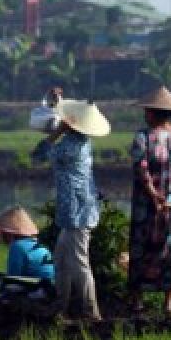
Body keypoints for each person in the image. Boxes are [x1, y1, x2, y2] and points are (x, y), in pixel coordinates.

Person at [33, 98, 110, 321]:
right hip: (75, 212)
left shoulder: (70, 146)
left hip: (77, 213)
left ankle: (91, 312)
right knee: (61, 259)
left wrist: (58, 130)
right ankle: (61, 306)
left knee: (79, 262)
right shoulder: (83, 142)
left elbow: (39, 154)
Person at [128, 85, 171, 316]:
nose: (145, 115)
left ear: (154, 112)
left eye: (148, 111)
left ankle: (137, 300)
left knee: (140, 248)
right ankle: (168, 302)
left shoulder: (143, 138)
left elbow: (141, 168)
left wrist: (153, 194)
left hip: (146, 207)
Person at [0, 206, 54, 283]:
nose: (2, 236)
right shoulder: (39, 245)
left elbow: (12, 277)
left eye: (3, 233)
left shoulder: (17, 246)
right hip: (51, 286)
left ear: (10, 234)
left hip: (38, 288)